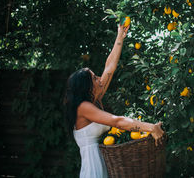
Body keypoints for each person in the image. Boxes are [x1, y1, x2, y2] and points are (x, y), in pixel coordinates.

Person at [65, 23, 165, 178]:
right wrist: (150, 127)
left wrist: (120, 36)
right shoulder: (84, 107)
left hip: (105, 161)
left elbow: (109, 67)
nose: (99, 78)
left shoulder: (93, 98)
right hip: (94, 167)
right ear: (87, 87)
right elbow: (117, 121)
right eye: (94, 78)